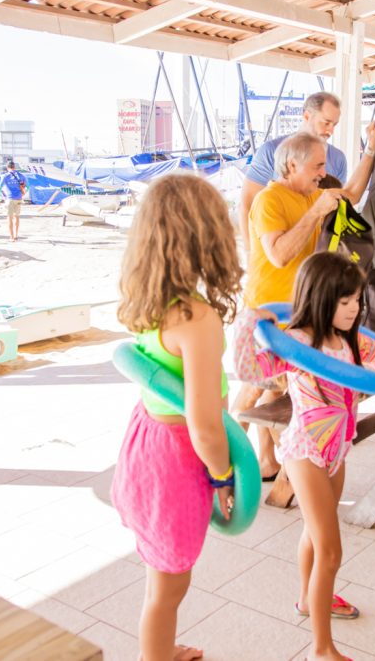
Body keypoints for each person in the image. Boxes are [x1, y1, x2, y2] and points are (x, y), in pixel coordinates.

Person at [235, 253, 375, 661]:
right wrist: (248, 322)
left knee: (313, 534)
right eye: (345, 301)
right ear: (321, 297)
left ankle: (310, 599)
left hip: (337, 449)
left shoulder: (352, 339)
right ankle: (321, 649)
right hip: (305, 450)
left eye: (358, 300)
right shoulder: (296, 341)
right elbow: (249, 370)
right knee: (331, 550)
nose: (354, 308)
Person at [111, 173, 242, 661]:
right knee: (170, 587)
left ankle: (161, 649)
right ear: (205, 237)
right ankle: (154, 656)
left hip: (147, 441)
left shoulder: (153, 300)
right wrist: (225, 475)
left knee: (159, 577)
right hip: (177, 456)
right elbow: (206, 424)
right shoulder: (197, 317)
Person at [242, 128, 375, 480]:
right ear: (292, 165)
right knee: (257, 391)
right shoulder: (269, 200)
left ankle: (268, 462)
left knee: (272, 388)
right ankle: (225, 466)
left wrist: (371, 149)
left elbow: (350, 193)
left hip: (299, 315)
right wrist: (315, 211)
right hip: (269, 313)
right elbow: (278, 255)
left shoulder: (311, 193)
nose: (323, 172)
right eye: (318, 166)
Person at [238, 92, 349, 249]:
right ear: (306, 116)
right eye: (326, 123)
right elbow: (247, 204)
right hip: (276, 251)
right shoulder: (271, 151)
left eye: (334, 125)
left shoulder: (338, 159)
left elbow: (337, 212)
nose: (330, 131)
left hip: (317, 258)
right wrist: (251, 255)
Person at [0, 161, 26, 241]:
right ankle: (16, 235)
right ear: (14, 167)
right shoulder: (21, 176)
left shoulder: (5, 176)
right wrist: (22, 194)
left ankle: (11, 237)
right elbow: (27, 186)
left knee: (10, 218)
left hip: (10, 199)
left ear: (7, 167)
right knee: (17, 217)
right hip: (19, 198)